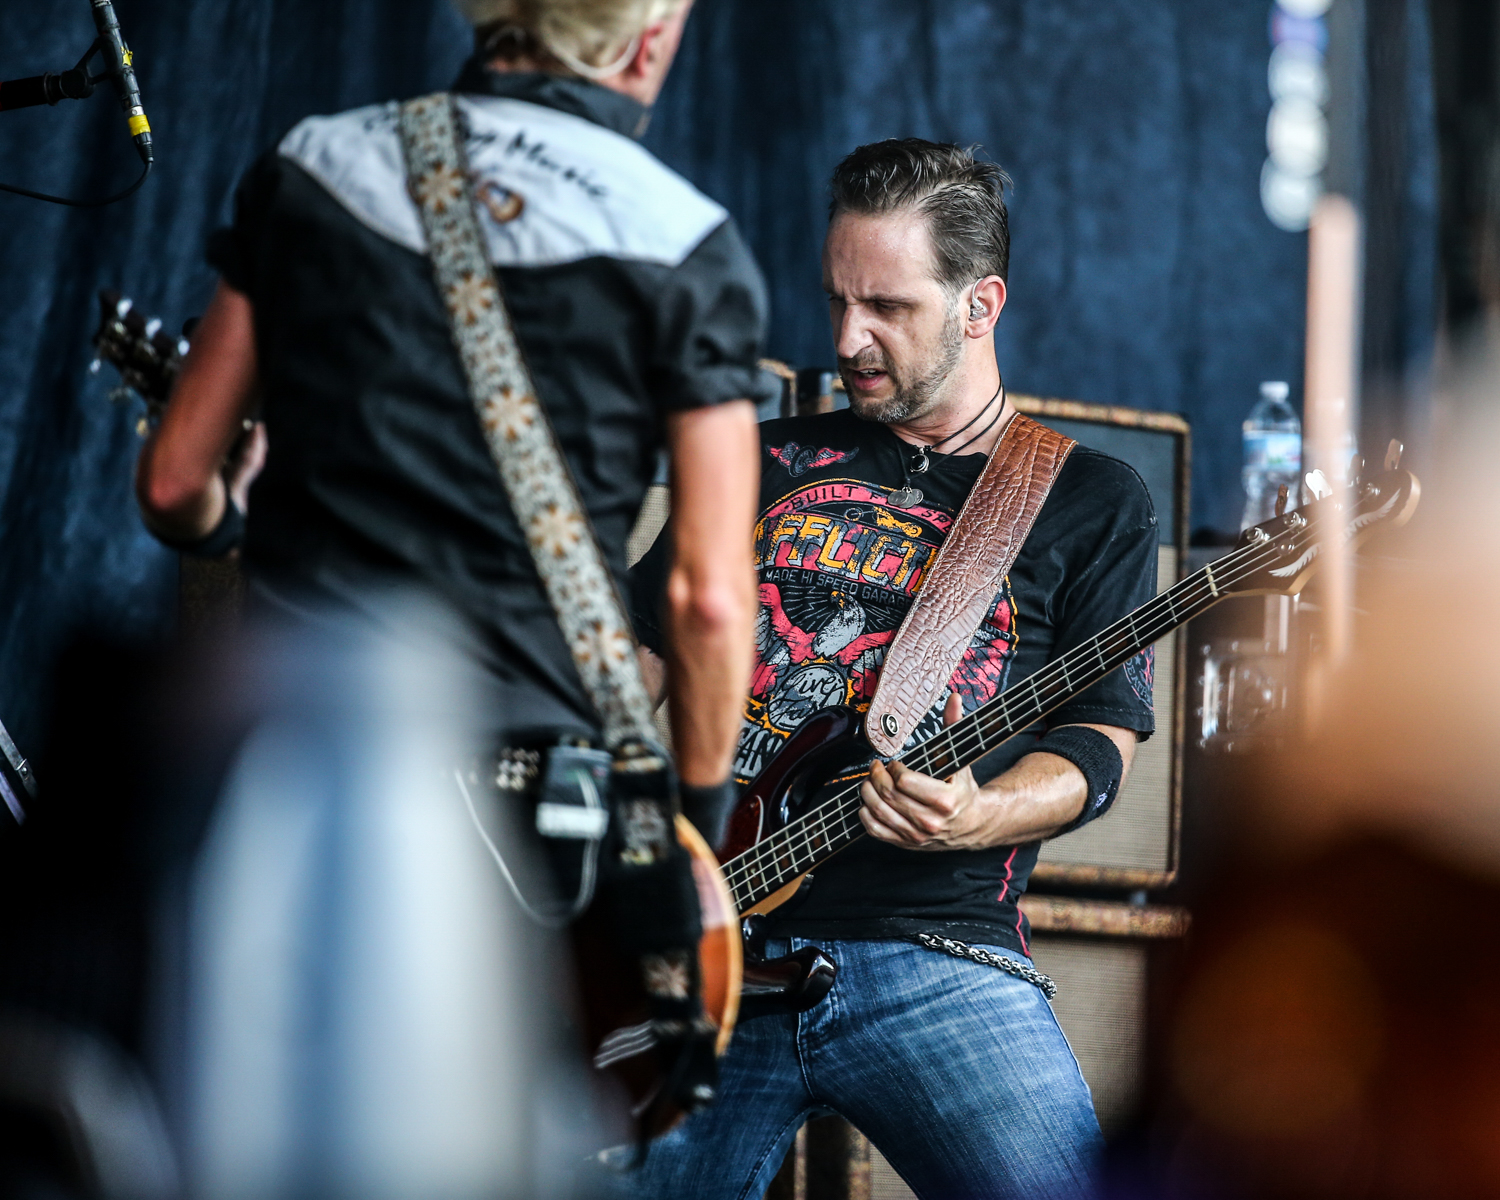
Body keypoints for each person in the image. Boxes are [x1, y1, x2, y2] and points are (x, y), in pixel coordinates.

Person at [626, 139, 1159, 1199]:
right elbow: (634, 669)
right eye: (837, 299)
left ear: (980, 304)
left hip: (937, 950)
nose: (846, 339)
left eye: (887, 307)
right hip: (706, 943)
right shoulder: (759, 459)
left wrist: (982, 813)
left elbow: (1100, 739)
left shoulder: (1092, 498)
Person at [133, 0, 761, 828]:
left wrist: (225, 524)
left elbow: (174, 484)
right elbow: (710, 599)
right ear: (647, 41)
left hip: (291, 739)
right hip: (520, 776)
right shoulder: (686, 242)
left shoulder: (317, 162)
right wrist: (700, 817)